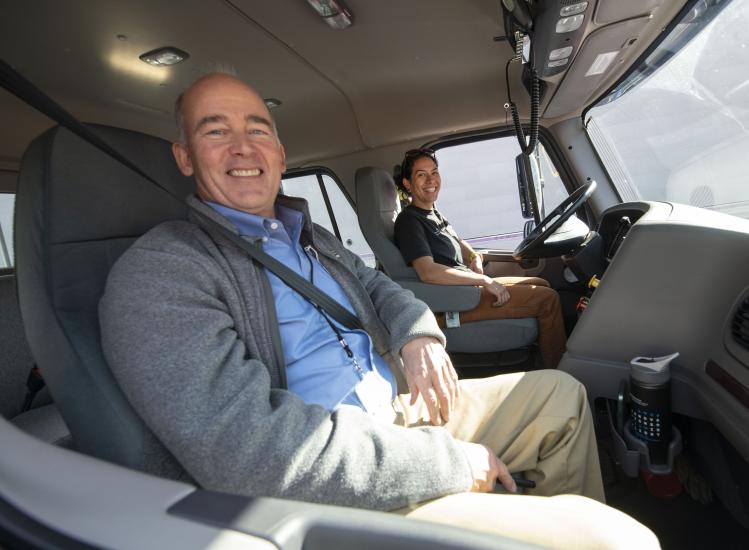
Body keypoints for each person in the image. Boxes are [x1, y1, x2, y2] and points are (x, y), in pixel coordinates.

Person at [98, 73, 657, 548]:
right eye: (215, 131)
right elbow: (252, 455)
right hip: (323, 484)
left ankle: (527, 520)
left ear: (280, 152)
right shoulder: (162, 271)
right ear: (185, 157)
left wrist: (417, 335)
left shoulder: (309, 235)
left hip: (398, 408)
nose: (242, 147)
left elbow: (380, 286)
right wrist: (452, 463)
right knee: (620, 540)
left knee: (560, 397)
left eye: (257, 129)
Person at [393, 148, 566, 368]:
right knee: (547, 299)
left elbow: (457, 241)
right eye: (421, 174)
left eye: (434, 172)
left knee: (541, 284)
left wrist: (474, 256)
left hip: (466, 291)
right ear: (408, 183)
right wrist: (483, 280)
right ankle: (560, 371)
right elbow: (427, 272)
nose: (431, 180)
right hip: (457, 301)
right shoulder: (409, 221)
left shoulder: (432, 213)